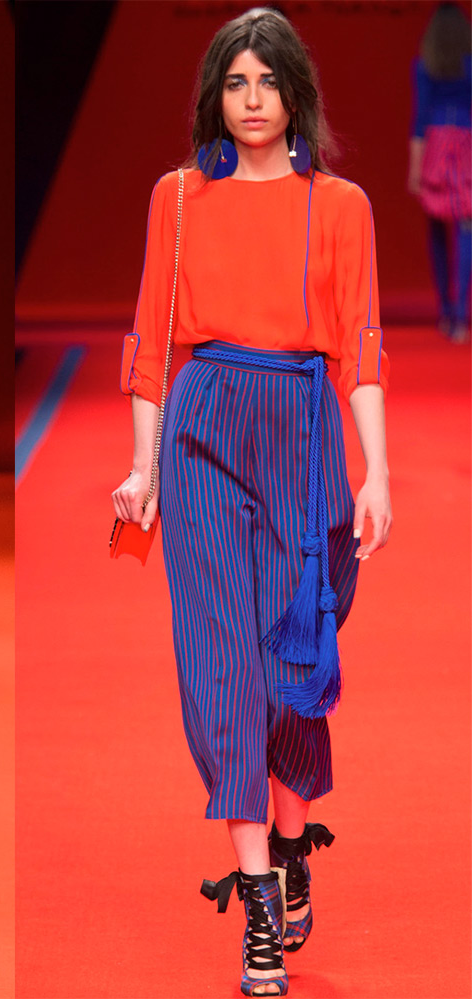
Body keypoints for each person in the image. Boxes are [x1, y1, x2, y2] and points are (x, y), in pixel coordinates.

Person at [111, 8, 391, 997]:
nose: (254, 98)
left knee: (290, 667)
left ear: (295, 94)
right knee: (222, 667)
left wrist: (378, 471)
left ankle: (290, 839)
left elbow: (360, 343)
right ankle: (259, 905)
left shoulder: (340, 205)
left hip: (304, 437)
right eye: (236, 82)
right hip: (202, 431)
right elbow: (151, 337)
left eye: (269, 81)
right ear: (215, 98)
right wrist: (142, 468)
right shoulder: (179, 198)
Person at [407, 1, 471, 343]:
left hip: (435, 145)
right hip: (465, 146)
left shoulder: (424, 65)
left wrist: (415, 168)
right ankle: (459, 314)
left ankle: (446, 309)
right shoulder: (470, 65)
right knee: (466, 226)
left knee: (436, 226)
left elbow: (419, 119)